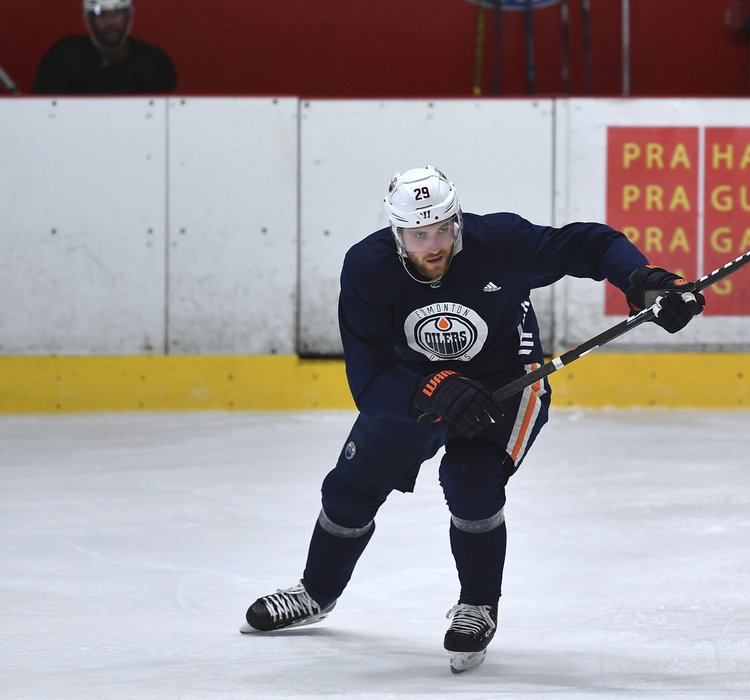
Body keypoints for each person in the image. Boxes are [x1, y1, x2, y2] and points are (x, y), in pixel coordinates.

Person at [240, 165, 704, 673]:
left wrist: (642, 282)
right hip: (416, 387)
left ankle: (478, 605)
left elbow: (589, 244)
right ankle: (316, 592)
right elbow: (368, 381)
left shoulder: (499, 242)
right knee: (350, 489)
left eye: (443, 228)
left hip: (506, 382)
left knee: (470, 478)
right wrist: (431, 388)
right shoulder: (367, 268)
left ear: (457, 219)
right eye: (418, 234)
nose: (434, 244)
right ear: (396, 232)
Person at [33, 0, 176, 95]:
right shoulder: (64, 58)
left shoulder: (153, 63)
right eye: (100, 14)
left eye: (117, 13)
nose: (109, 23)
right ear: (88, 19)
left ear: (129, 16)